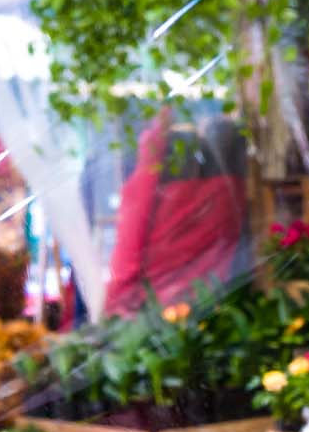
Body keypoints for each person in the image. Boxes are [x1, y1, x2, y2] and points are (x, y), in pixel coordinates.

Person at [104, 110, 247, 316]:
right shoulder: (230, 193)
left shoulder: (153, 189)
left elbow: (130, 244)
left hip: (173, 297)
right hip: (206, 290)